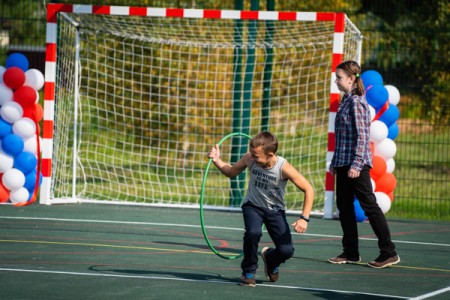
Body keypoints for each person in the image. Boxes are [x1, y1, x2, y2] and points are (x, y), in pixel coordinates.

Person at [208, 131, 314, 287]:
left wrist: (304, 218)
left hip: (275, 210)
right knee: (253, 232)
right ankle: (248, 271)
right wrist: (217, 161)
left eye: (256, 156)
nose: (252, 157)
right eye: (251, 153)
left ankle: (270, 258)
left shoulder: (283, 167)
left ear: (270, 154)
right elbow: (231, 172)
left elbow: (308, 189)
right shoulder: (249, 158)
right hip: (253, 206)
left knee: (286, 251)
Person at [328, 60, 400, 268]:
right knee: (344, 207)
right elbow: (342, 136)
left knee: (369, 206)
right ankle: (350, 252)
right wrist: (336, 162)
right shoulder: (345, 100)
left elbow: (362, 136)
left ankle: (389, 252)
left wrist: (357, 164)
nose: (336, 80)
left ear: (351, 79)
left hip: (355, 165)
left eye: (339, 77)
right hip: (343, 163)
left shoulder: (357, 102)